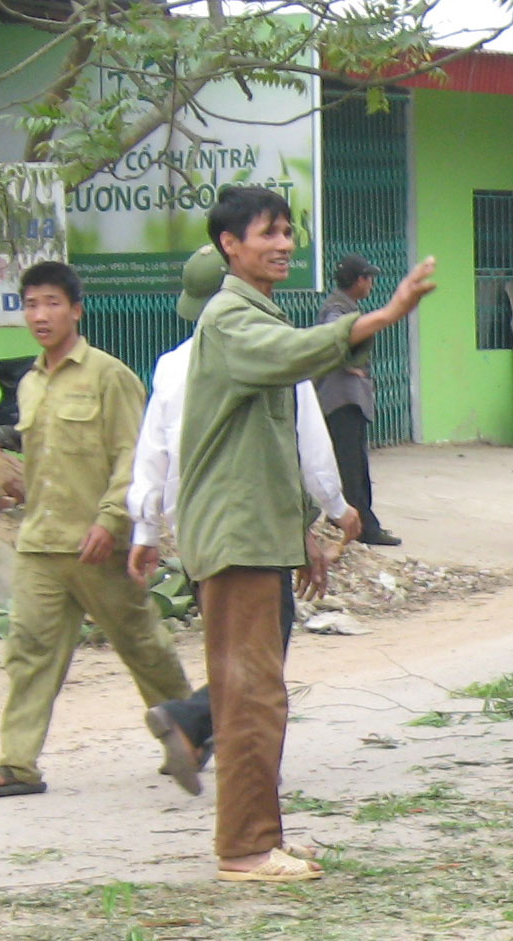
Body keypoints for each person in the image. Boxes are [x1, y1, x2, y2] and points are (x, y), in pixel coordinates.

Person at [180, 184, 432, 884]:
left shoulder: (252, 313)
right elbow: (294, 355)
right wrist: (381, 315)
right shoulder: (233, 319)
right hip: (233, 539)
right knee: (250, 693)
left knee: (256, 691)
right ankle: (246, 850)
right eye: (269, 232)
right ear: (231, 245)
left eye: (289, 231)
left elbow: (269, 448)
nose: (285, 243)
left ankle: (259, 839)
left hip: (255, 533)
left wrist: (307, 533)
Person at [126, 244, 353, 795]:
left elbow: (152, 453)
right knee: (260, 657)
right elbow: (307, 445)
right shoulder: (271, 353)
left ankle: (199, 736)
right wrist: (337, 509)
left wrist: (145, 529)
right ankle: (196, 723)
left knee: (234, 649)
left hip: (199, 533)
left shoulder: (169, 366)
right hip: (250, 530)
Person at [0, 260, 194, 801]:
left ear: (76, 310)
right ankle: (17, 765)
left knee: (139, 642)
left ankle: (195, 728)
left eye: (51, 303)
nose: (40, 316)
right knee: (29, 650)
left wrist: (114, 519)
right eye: (31, 305)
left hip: (98, 545)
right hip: (41, 544)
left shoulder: (109, 376)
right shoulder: (31, 382)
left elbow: (131, 455)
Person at [315, 255, 400, 547]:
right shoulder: (337, 309)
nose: (371, 284)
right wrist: (345, 363)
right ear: (359, 280)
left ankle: (346, 521)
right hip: (342, 399)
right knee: (351, 467)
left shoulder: (344, 305)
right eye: (368, 278)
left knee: (353, 465)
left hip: (349, 397)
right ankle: (362, 526)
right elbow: (332, 335)